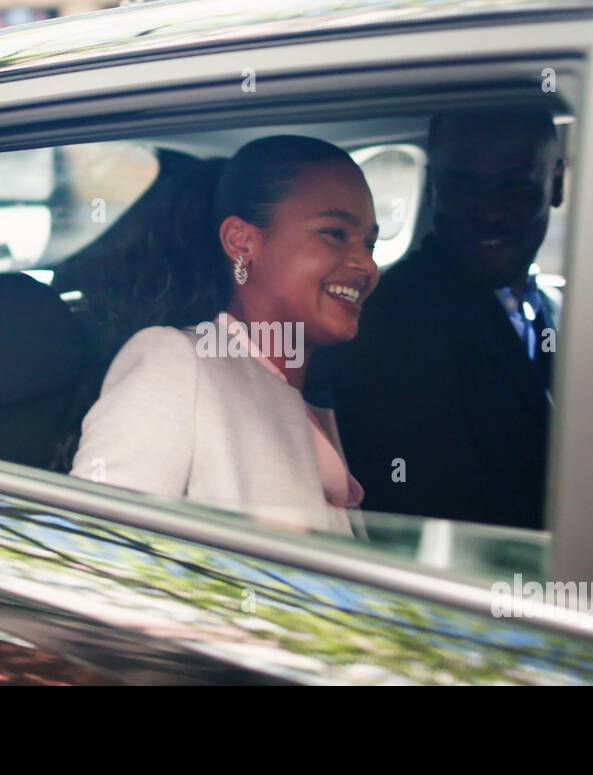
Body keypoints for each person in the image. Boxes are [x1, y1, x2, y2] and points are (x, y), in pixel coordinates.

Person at [71, 135, 380, 534]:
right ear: (242, 242)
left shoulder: (305, 391)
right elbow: (96, 551)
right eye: (334, 233)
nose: (366, 264)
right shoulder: (175, 362)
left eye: (370, 243)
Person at [328, 105, 565, 529]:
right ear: (434, 186)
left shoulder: (547, 306)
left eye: (515, 186)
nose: (488, 211)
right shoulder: (391, 325)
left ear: (557, 183)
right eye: (463, 185)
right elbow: (430, 515)